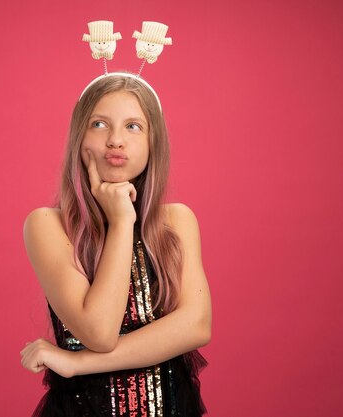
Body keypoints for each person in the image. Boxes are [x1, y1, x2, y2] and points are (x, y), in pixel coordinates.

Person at [21, 73, 212, 416]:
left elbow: (195, 326)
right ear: (79, 138)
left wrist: (76, 363)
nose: (115, 141)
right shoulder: (48, 226)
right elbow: (99, 331)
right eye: (99, 124)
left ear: (154, 143)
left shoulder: (177, 221)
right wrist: (122, 221)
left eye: (133, 127)